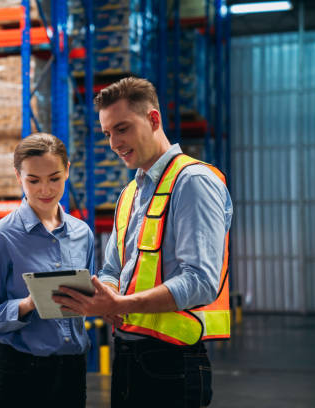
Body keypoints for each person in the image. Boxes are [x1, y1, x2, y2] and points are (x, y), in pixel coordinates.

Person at [53, 76, 233, 407]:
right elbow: (112, 267)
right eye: (107, 133)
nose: (113, 143)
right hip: (128, 354)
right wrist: (105, 293)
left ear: (153, 120)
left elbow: (201, 280)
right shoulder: (131, 193)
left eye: (122, 128)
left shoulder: (193, 182)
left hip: (173, 362)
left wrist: (122, 305)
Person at [0, 132, 95, 408]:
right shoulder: (0, 237)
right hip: (17, 373)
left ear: (67, 171)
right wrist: (26, 305)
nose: (45, 190)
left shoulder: (82, 234)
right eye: (33, 181)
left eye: (54, 178)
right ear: (18, 177)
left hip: (71, 373)